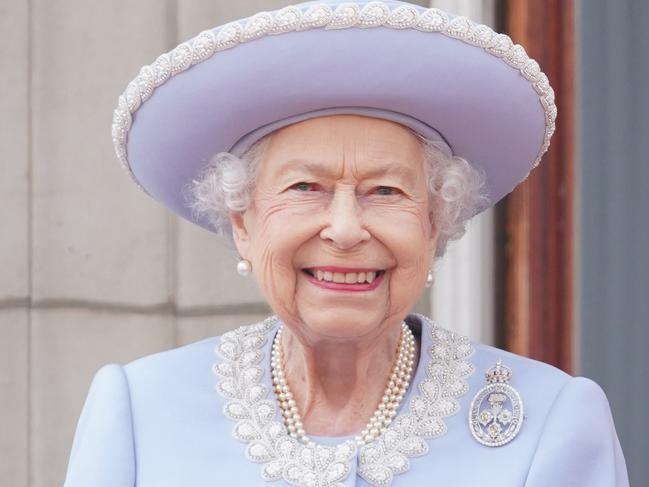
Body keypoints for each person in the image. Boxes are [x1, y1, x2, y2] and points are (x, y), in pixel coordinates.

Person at [64, 1, 629, 486]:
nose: (344, 229)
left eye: (384, 191)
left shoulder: (549, 421)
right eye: (304, 187)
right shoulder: (140, 409)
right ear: (242, 221)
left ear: (434, 221)